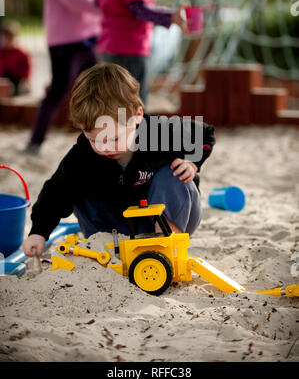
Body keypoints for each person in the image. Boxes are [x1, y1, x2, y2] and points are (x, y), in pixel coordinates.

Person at [23, 62, 216, 258]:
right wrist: (39, 232)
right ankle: (104, 244)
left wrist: (192, 163)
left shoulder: (159, 131)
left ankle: (164, 245)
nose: (105, 147)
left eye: (114, 138)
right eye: (94, 140)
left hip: (161, 217)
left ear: (137, 116)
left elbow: (204, 134)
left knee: (173, 174)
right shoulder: (84, 153)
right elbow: (56, 191)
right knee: (74, 183)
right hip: (115, 226)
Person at [24, 0, 102, 155]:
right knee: (58, 91)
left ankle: (100, 140)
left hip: (87, 37)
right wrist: (105, 7)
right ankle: (35, 141)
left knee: (98, 87)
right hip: (66, 42)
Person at [0, 20, 31, 96]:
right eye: (5, 38)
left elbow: (26, 69)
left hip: (17, 79)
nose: (6, 41)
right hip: (4, 77)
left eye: (9, 38)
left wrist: (26, 80)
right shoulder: (2, 52)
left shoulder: (20, 53)